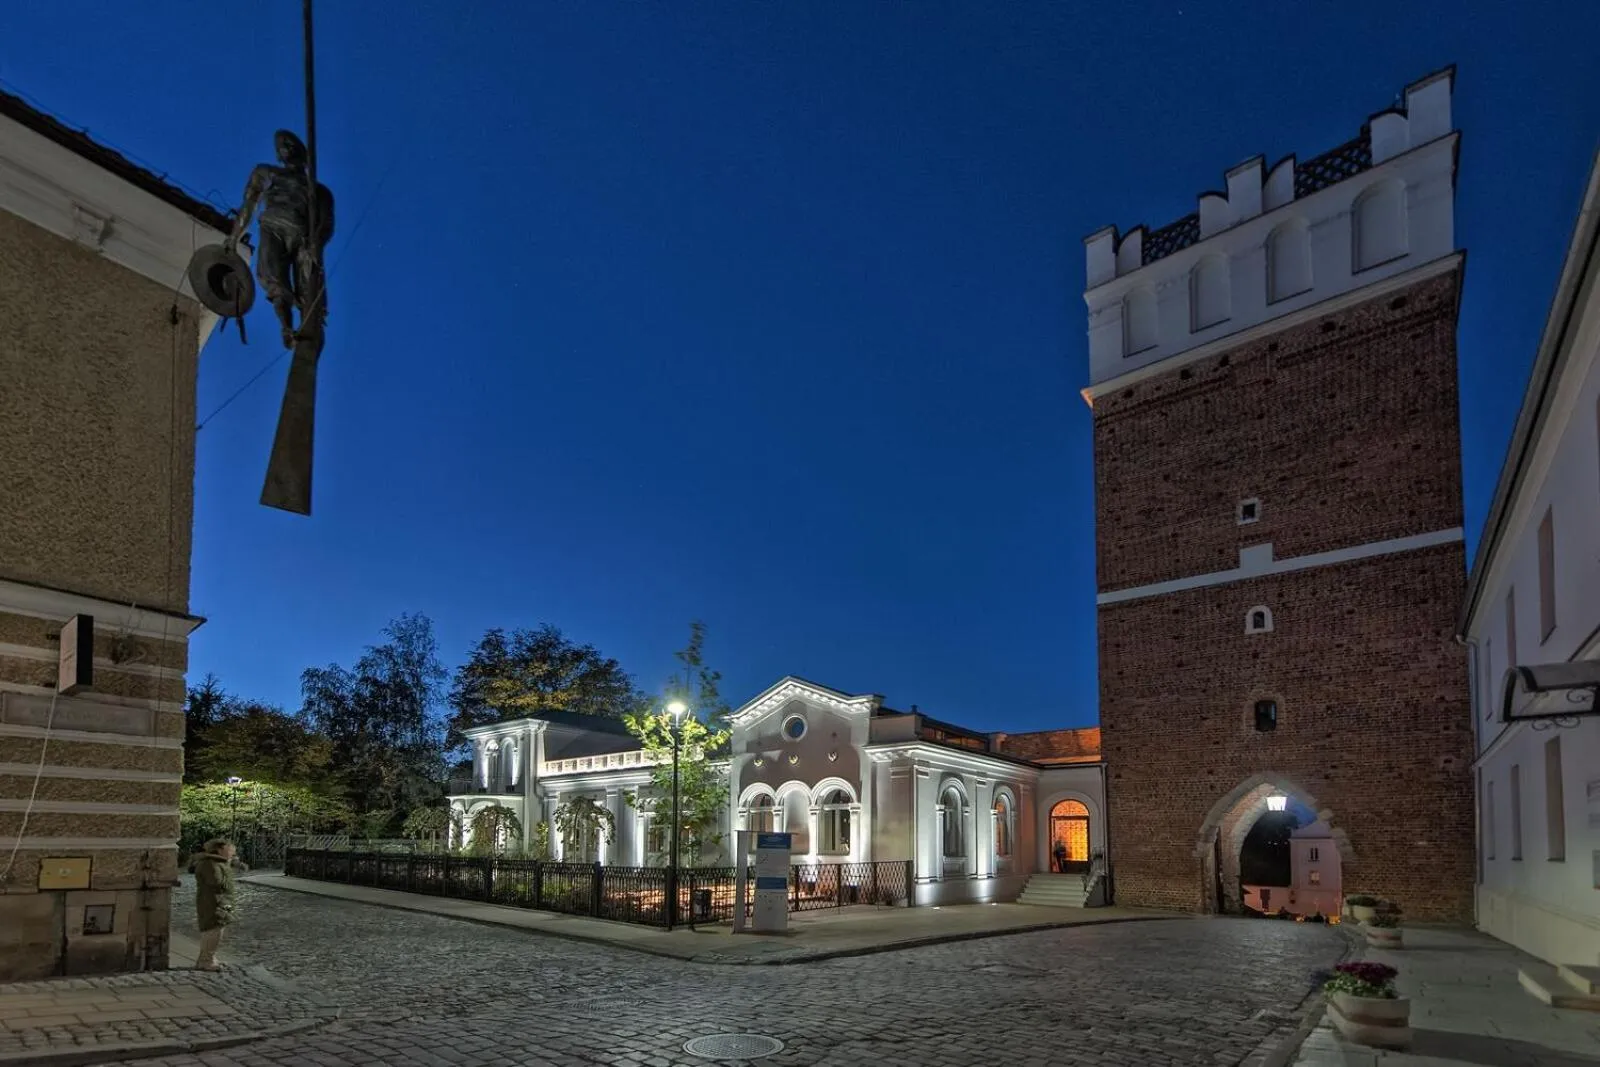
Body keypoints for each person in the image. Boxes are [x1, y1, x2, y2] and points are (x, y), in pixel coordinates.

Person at [192, 838, 238, 971]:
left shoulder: (216, 862)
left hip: (218, 901)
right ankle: (206, 960)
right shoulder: (210, 864)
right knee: (213, 931)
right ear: (219, 849)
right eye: (229, 850)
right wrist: (228, 875)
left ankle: (207, 958)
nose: (231, 853)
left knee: (216, 929)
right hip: (213, 902)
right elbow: (217, 882)